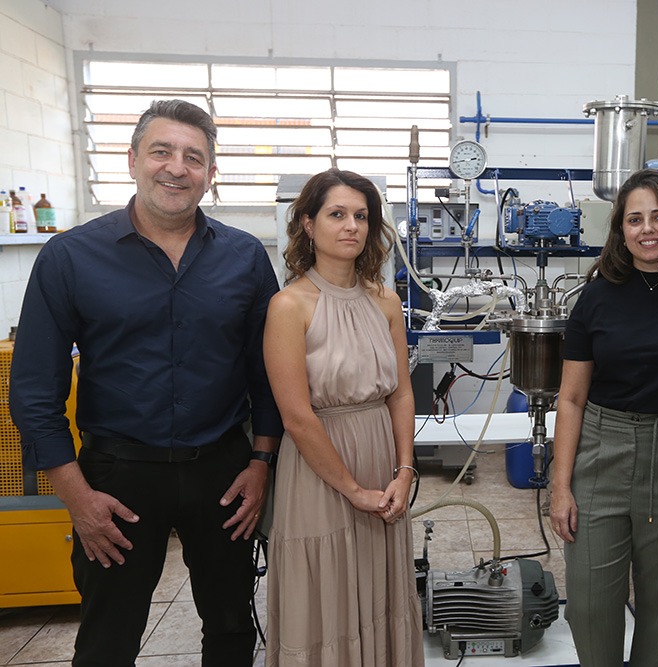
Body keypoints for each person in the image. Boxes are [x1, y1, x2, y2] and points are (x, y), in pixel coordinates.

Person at [9, 99, 281, 666]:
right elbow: (36, 389)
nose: (176, 167)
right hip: (117, 480)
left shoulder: (246, 257)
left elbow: (268, 375)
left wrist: (260, 465)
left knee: (232, 628)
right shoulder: (70, 257)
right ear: (132, 159)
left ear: (211, 173)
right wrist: (76, 497)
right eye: (161, 151)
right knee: (108, 639)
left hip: (224, 477)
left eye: (194, 157)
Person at [549, 169, 658, 666]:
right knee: (591, 604)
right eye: (635, 218)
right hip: (601, 451)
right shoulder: (596, 297)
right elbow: (572, 397)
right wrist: (561, 486)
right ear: (620, 229)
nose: (648, 229)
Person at [263, 169, 423, 666]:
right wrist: (354, 491)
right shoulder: (288, 306)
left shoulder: (386, 301)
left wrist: (404, 471)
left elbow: (400, 394)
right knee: (325, 590)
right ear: (308, 225)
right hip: (319, 470)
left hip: (381, 462)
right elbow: (296, 416)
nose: (352, 226)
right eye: (337, 214)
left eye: (361, 216)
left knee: (379, 590)